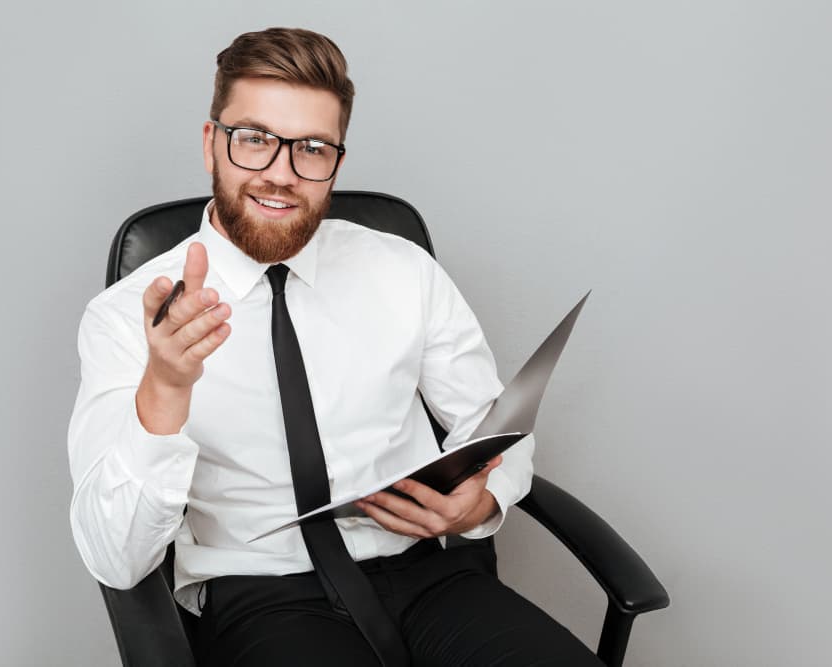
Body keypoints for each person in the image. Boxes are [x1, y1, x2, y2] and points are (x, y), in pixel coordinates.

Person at [69, 27, 598, 666]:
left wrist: (484, 499)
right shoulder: (125, 317)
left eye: (312, 149)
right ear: (212, 143)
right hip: (262, 595)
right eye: (254, 139)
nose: (280, 174)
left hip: (427, 574)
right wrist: (165, 390)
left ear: (337, 164)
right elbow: (116, 560)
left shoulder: (404, 269)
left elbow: (492, 427)